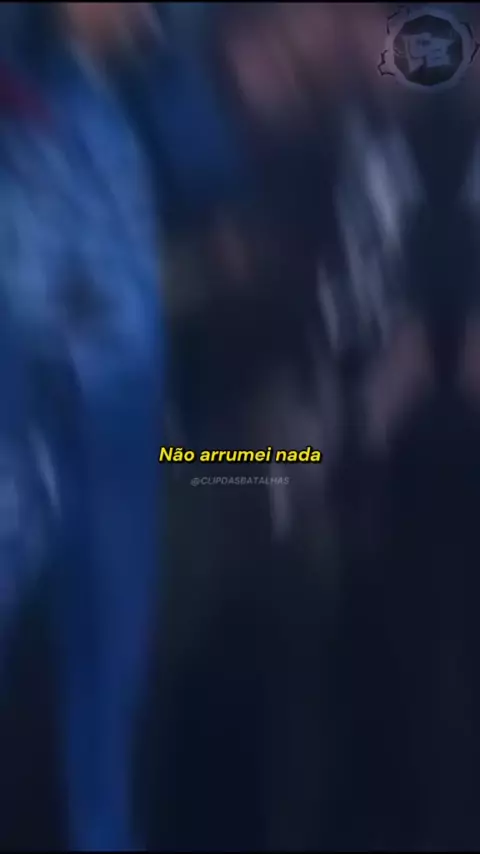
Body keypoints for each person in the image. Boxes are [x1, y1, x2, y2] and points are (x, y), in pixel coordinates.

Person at [0, 3, 341, 850]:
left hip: (192, 447)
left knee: (284, 496)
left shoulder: (273, 146)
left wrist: (290, 432)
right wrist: (202, 269)